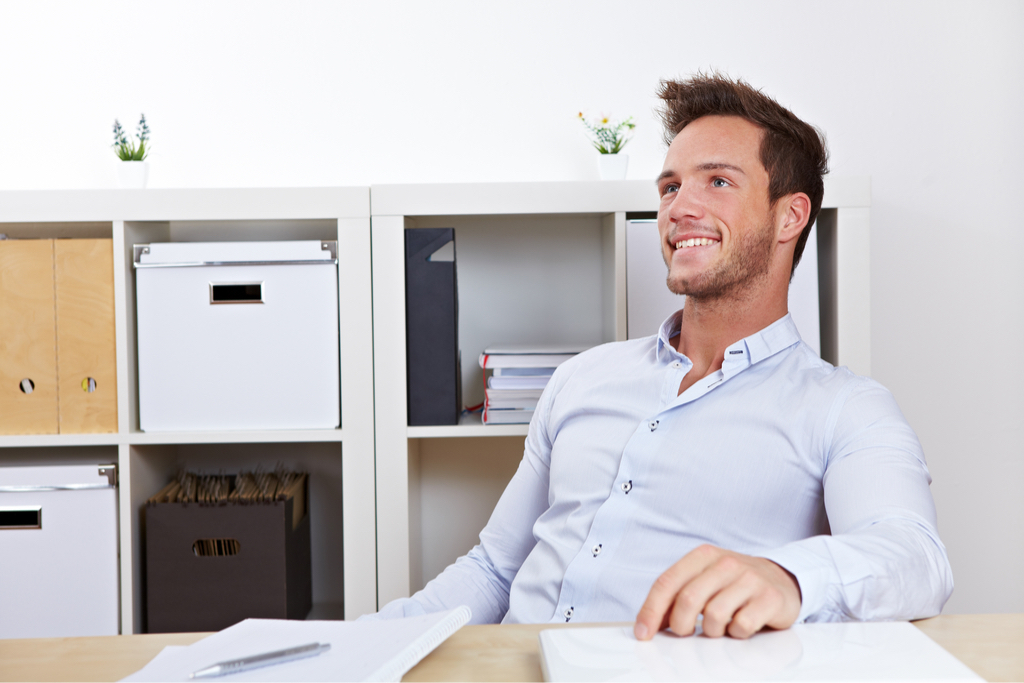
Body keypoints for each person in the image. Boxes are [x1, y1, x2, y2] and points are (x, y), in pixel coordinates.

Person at [371, 73, 953, 639]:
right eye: (670, 187)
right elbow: (494, 569)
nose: (678, 208)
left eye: (718, 182)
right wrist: (361, 645)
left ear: (790, 216)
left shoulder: (845, 408)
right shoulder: (582, 377)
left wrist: (790, 578)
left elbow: (916, 558)